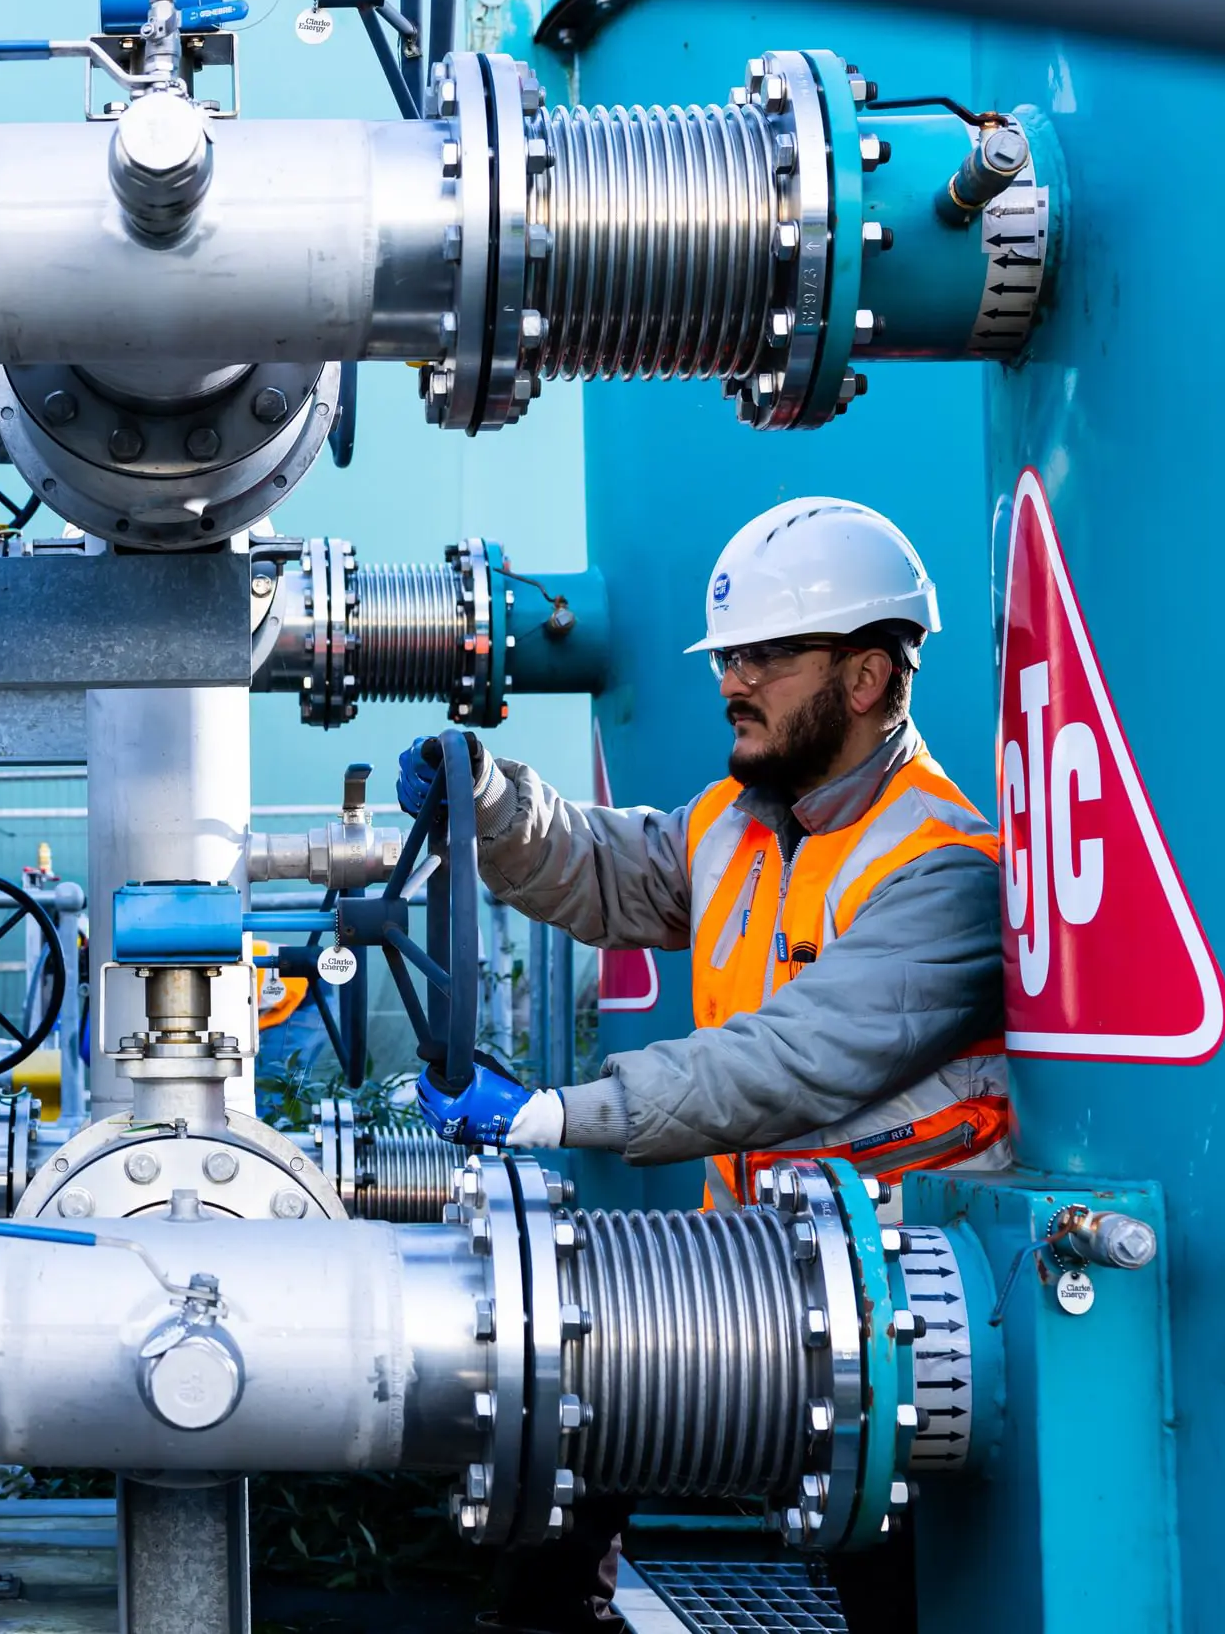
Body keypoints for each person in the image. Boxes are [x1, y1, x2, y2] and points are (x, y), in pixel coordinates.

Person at [398, 497, 1007, 1634]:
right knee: (581, 1407)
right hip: (753, 1277)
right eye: (728, 655)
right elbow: (607, 868)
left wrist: (553, 1113)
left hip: (899, 1317)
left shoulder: (947, 875)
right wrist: (490, 798)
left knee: (895, 1597)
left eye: (766, 657)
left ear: (867, 678)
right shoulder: (737, 821)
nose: (732, 680)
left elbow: (788, 1063)